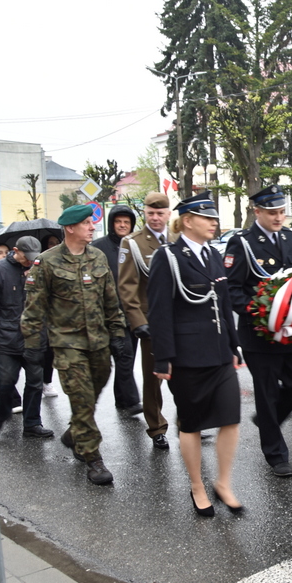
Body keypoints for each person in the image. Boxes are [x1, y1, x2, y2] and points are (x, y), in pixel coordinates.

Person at [148, 191, 244, 517]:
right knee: (190, 424)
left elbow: (225, 303)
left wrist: (234, 346)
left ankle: (223, 482)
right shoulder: (169, 257)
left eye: (215, 218)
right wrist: (163, 358)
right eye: (208, 217)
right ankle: (197, 485)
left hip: (219, 353)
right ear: (188, 221)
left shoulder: (214, 255)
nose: (214, 223)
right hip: (187, 356)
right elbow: (159, 311)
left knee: (231, 418)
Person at [21, 204, 126, 485]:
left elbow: (110, 300)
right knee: (80, 397)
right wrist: (32, 344)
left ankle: (74, 433)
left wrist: (117, 333)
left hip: (99, 342)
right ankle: (93, 458)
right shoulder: (47, 262)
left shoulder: (99, 257)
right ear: (70, 228)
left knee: (93, 392)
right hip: (68, 344)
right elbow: (33, 307)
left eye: (92, 222)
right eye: (86, 223)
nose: (92, 226)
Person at [224, 184, 292, 478]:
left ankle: (268, 420)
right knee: (266, 393)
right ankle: (276, 454)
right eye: (272, 212)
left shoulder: (291, 238)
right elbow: (233, 290)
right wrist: (259, 313)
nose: (279, 218)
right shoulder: (243, 243)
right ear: (257, 211)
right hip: (259, 333)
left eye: (281, 212)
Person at [0, 236, 53, 438]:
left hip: (34, 337)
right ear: (16, 251)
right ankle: (1, 415)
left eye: (33, 258)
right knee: (5, 382)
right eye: (26, 257)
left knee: (35, 382)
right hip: (5, 337)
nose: (30, 261)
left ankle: (32, 423)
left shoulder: (40, 269)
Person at [117, 192, 172, 449]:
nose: (156, 218)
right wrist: (137, 320)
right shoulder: (133, 243)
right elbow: (127, 285)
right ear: (145, 214)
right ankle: (157, 426)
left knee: (185, 373)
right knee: (154, 378)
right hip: (151, 320)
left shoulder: (178, 238)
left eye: (160, 213)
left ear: (168, 214)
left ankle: (189, 420)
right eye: (151, 213)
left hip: (179, 320)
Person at [91, 205, 141, 415]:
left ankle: (122, 399)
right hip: (110, 315)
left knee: (127, 357)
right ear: (111, 224)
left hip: (133, 313)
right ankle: (130, 401)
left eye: (126, 222)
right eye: (118, 222)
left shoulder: (135, 245)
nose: (122, 225)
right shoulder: (98, 247)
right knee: (124, 355)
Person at [39, 235, 61, 398]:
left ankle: (47, 381)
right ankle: (35, 381)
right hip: (38, 313)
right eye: (50, 243)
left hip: (54, 315)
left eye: (56, 243)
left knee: (49, 351)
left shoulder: (61, 261)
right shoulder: (37, 262)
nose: (53, 246)